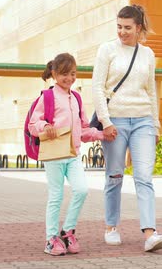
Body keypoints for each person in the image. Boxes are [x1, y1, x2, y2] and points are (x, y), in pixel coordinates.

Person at [92, 4, 162, 252]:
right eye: (119, 27)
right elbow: (97, 89)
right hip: (116, 121)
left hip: (143, 119)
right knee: (114, 176)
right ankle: (111, 226)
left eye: (127, 28)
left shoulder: (147, 54)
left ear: (138, 28)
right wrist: (106, 122)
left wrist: (155, 125)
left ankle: (149, 233)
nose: (122, 32)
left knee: (144, 177)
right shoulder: (107, 50)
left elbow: (151, 91)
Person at [28, 52, 107, 256]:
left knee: (81, 190)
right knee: (56, 196)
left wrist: (102, 134)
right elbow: (33, 124)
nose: (69, 78)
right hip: (54, 155)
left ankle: (67, 231)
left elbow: (83, 129)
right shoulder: (47, 97)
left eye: (72, 73)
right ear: (54, 74)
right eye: (64, 74)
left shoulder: (77, 98)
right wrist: (45, 125)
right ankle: (51, 238)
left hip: (73, 155)